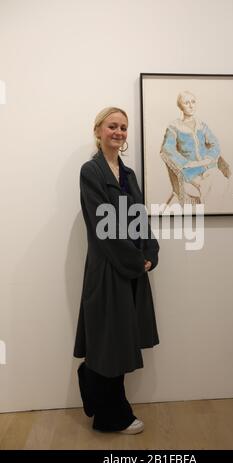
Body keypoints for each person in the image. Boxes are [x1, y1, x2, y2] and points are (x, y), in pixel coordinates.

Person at [73, 107, 159, 434]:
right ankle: (111, 416)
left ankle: (103, 398)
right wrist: (136, 262)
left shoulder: (129, 175)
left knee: (122, 340)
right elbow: (102, 226)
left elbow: (139, 217)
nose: (118, 132)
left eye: (123, 127)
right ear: (98, 131)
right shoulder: (90, 172)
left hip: (132, 268)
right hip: (109, 268)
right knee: (109, 341)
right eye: (112, 126)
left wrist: (150, 250)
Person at [160, 91, 230, 208]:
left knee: (219, 180)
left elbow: (215, 143)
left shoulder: (201, 125)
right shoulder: (174, 126)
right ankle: (212, 212)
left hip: (208, 167)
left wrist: (209, 159)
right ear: (180, 106)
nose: (191, 105)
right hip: (189, 172)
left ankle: (215, 210)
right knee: (209, 185)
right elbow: (167, 149)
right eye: (186, 103)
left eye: (193, 102)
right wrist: (187, 163)